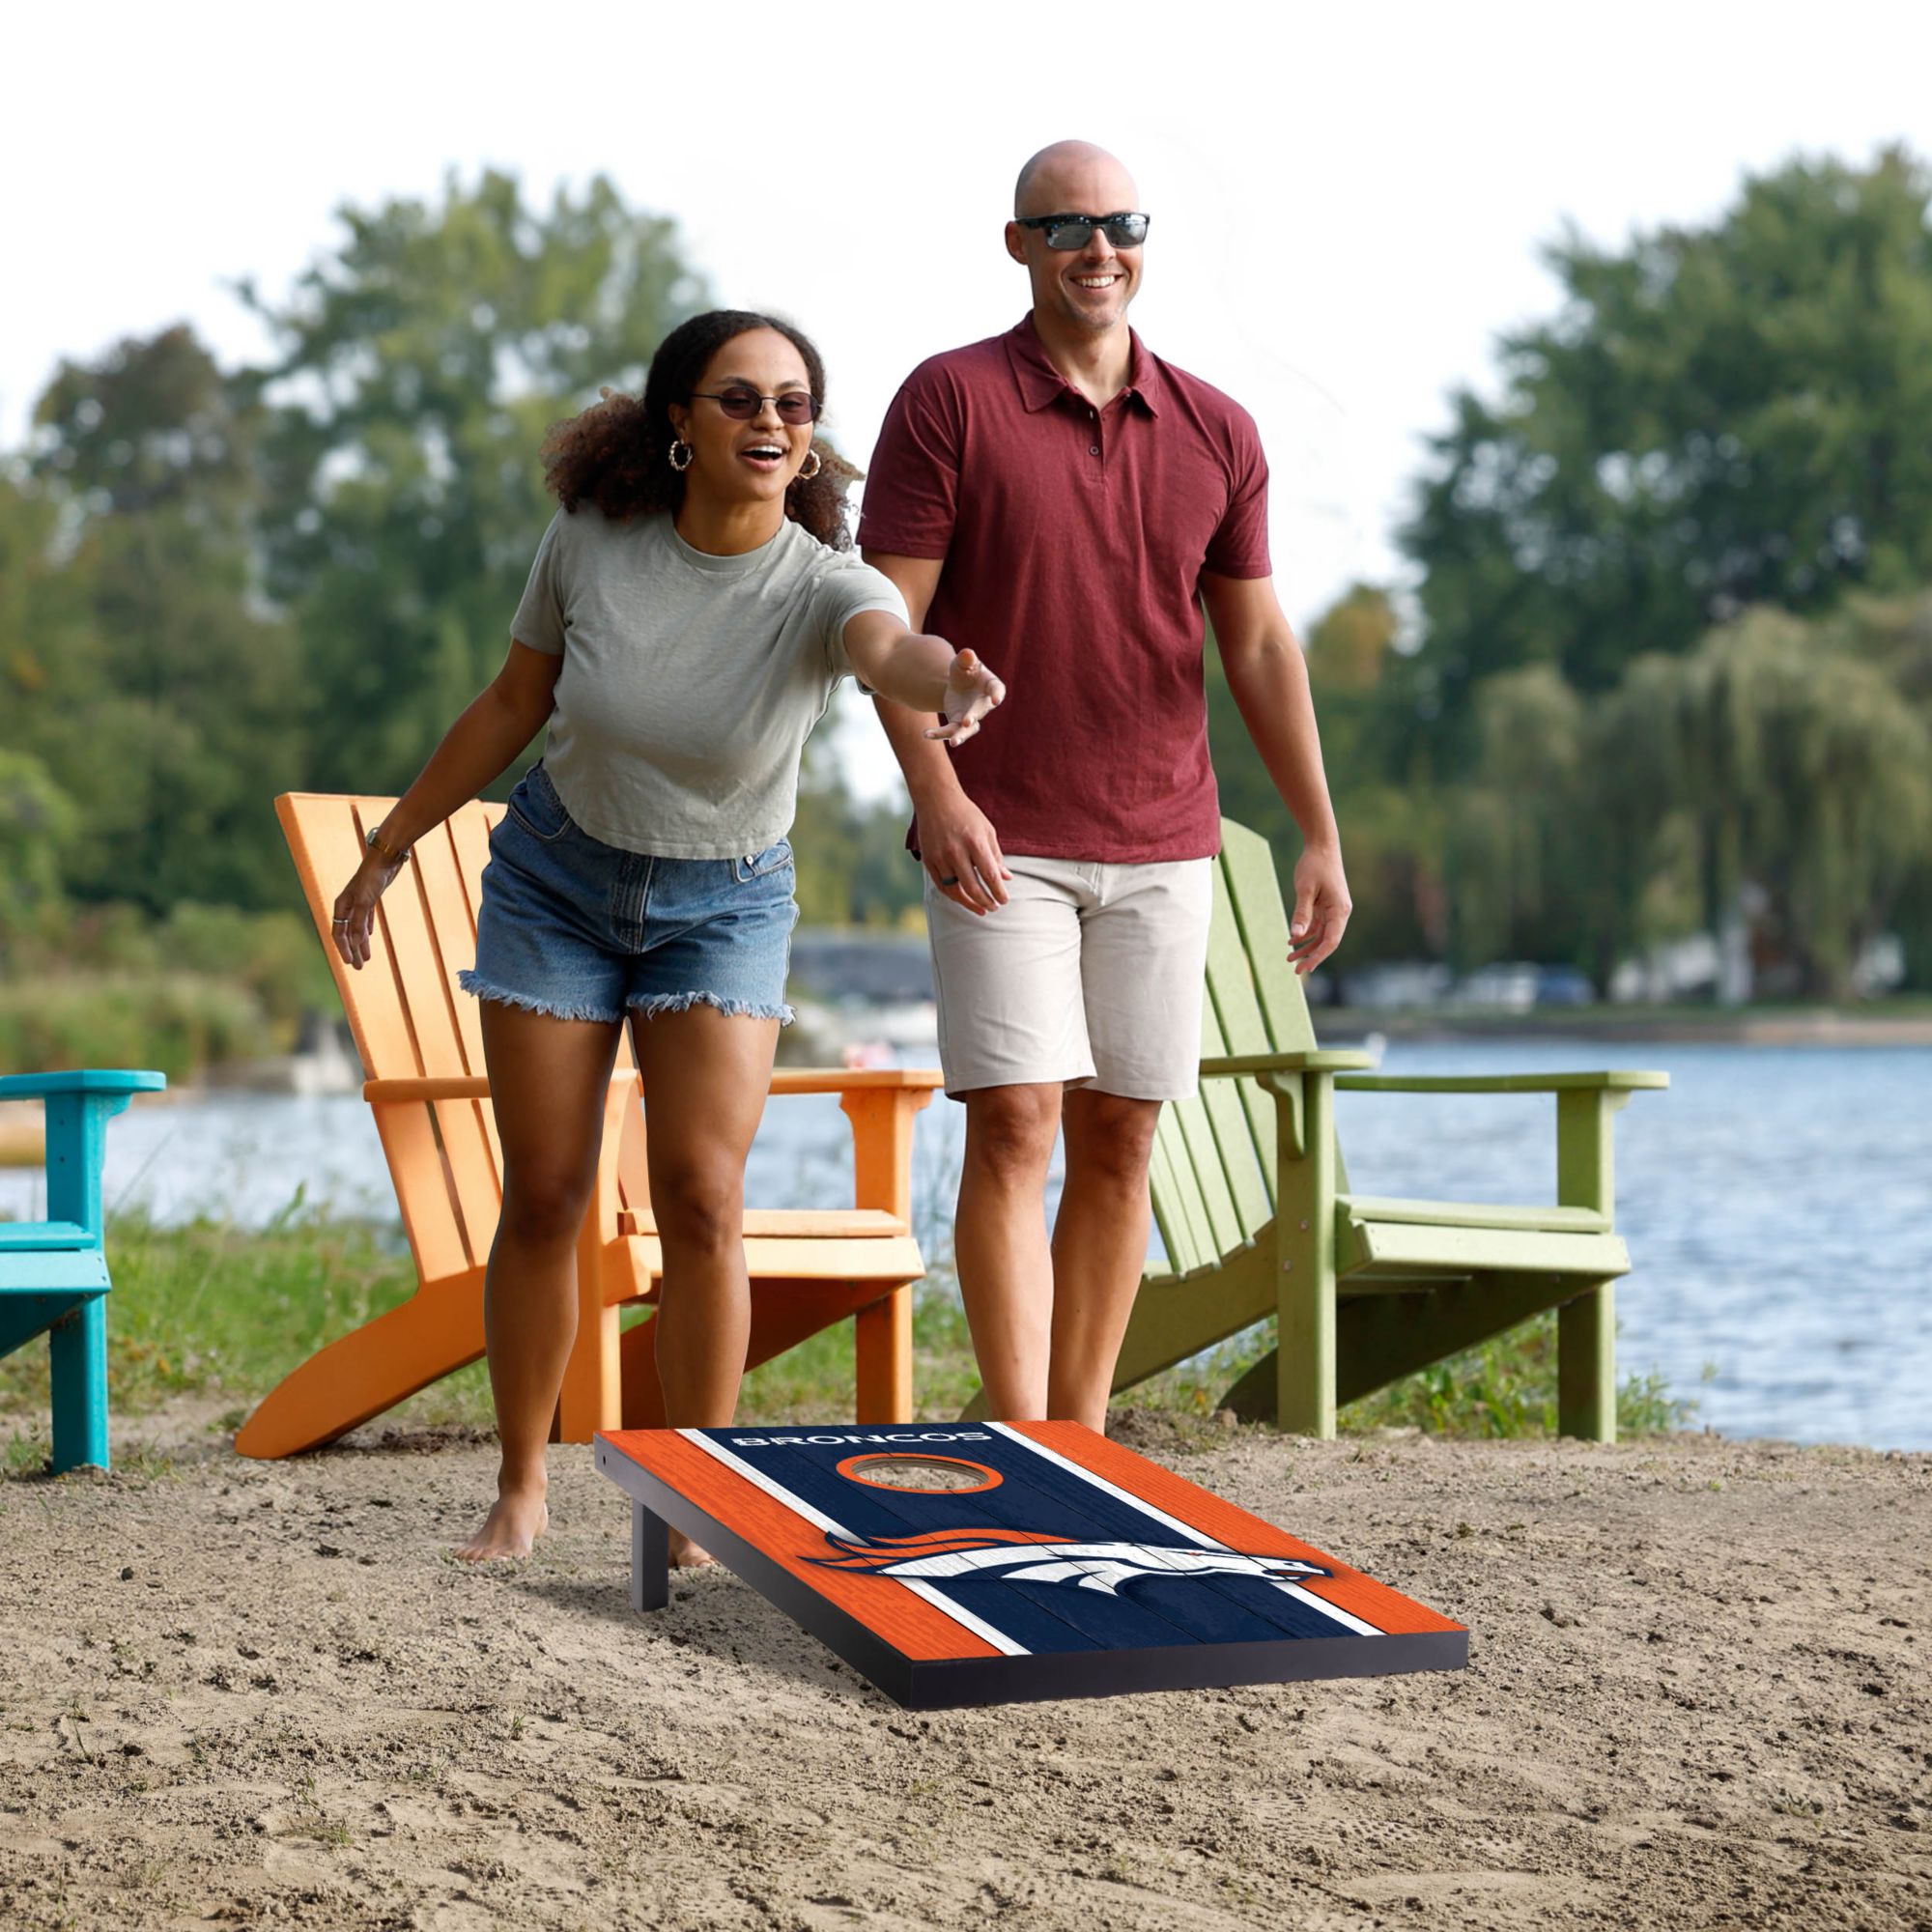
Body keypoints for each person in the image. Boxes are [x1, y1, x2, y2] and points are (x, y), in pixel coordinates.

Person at [329, 309, 1005, 1564]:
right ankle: (521, 1486)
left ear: (810, 439)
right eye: (739, 398)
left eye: (792, 403)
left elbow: (889, 652)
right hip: (557, 884)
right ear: (681, 422)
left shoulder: (825, 583)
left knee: (702, 1197)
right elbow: (513, 702)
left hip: (725, 904)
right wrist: (393, 843)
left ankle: (698, 1499)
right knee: (546, 1192)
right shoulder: (592, 541)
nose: (769, 421)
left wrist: (948, 682)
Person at [857, 141, 1350, 1433]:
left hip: (1164, 838)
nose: (1098, 248)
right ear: (1017, 244)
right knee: (1017, 1123)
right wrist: (936, 794)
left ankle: (1075, 1432)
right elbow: (880, 627)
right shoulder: (949, 401)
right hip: (999, 835)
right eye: (1067, 226)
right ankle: (1022, 1433)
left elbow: (1259, 645)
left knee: (1122, 1136)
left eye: (1121, 224)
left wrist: (1317, 832)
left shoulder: (1216, 429)